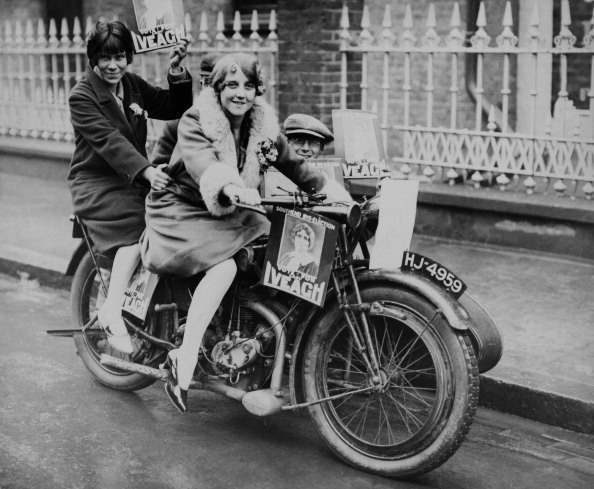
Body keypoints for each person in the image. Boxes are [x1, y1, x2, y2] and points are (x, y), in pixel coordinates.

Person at [140, 53, 351, 413]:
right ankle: (184, 358)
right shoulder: (196, 119)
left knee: (272, 244)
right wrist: (229, 187)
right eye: (232, 85)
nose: (240, 93)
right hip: (182, 208)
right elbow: (202, 163)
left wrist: (336, 196)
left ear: (257, 90)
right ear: (218, 89)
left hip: (231, 210)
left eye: (248, 86)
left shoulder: (263, 126)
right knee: (224, 266)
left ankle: (246, 332)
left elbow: (297, 168)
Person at [67, 20, 193, 353]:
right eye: (105, 58)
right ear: (93, 58)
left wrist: (176, 71)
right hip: (97, 182)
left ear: (128, 57)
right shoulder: (82, 96)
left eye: (119, 57)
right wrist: (146, 171)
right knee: (139, 227)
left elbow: (172, 107)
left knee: (175, 217)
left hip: (131, 178)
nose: (113, 65)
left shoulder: (131, 85)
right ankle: (111, 309)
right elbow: (108, 141)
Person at [150, 53, 220, 166]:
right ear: (202, 84)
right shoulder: (179, 125)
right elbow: (159, 168)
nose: (214, 91)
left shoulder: (241, 123)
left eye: (222, 84)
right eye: (208, 83)